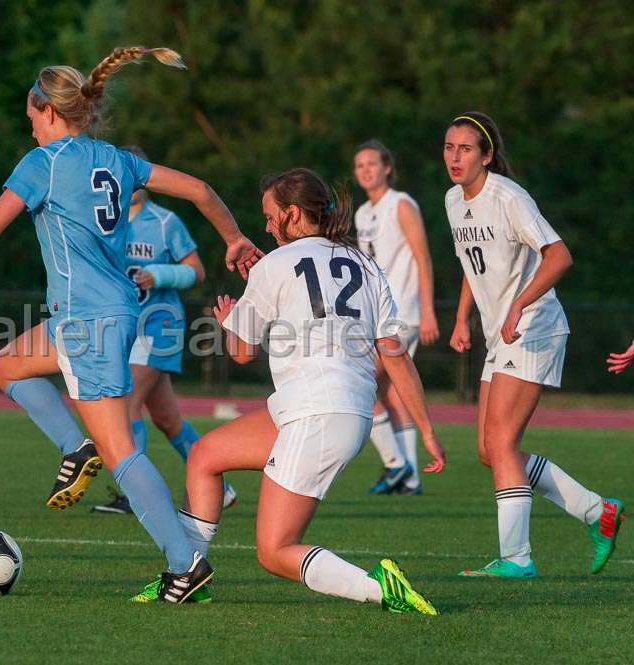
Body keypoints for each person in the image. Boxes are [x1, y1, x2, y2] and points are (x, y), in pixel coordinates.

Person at [0, 46, 262, 602]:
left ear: (48, 112)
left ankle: (186, 563)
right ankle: (74, 448)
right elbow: (202, 190)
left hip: (88, 322)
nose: (31, 130)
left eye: (31, 119)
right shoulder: (116, 159)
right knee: (6, 364)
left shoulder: (43, 163)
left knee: (123, 452)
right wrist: (233, 237)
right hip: (105, 314)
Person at [135, 167, 445, 611]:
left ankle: (381, 589)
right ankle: (186, 573)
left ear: (293, 214)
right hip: (332, 408)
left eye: (269, 215)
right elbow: (394, 355)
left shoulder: (274, 266)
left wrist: (228, 321)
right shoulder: (366, 264)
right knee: (205, 457)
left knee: (275, 551)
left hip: (315, 413)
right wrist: (427, 431)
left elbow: (241, 352)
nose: (264, 225)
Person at [444, 112, 624, 577]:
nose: (455, 157)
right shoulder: (452, 200)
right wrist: (463, 317)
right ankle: (596, 511)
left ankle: (517, 558)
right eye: (449, 147)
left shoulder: (509, 197)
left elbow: (560, 255)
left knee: (502, 443)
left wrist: (520, 304)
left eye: (466, 148)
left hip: (535, 326)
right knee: (489, 450)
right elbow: (472, 262)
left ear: (486, 156)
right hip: (500, 333)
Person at [91, 145, 236, 515]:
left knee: (126, 402)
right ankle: (225, 488)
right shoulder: (106, 220)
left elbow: (197, 270)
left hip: (160, 324)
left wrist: (161, 274)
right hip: (125, 326)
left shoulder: (165, 222)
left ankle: (134, 493)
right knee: (167, 419)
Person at [353, 140, 439, 495]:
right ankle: (411, 478)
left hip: (403, 312)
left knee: (360, 380)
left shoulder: (401, 204)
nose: (365, 170)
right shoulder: (361, 213)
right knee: (392, 394)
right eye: (359, 166)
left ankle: (395, 464)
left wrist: (429, 310)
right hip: (378, 315)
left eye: (372, 163)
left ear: (387, 167)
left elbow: (423, 257)